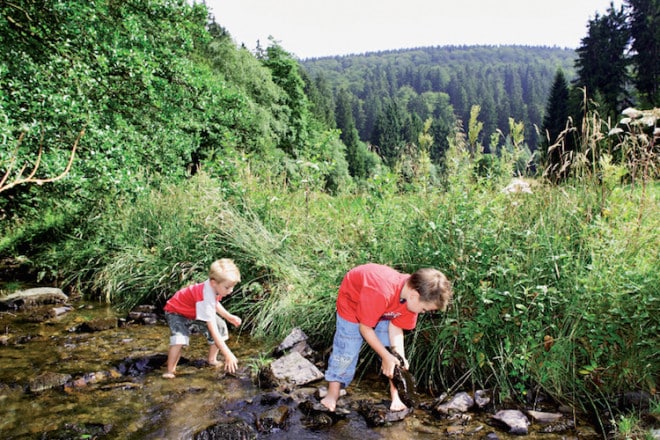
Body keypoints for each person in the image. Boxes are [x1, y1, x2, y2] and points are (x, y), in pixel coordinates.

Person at [320, 263, 453, 412]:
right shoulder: (381, 291)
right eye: (424, 309)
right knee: (347, 349)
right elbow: (365, 328)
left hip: (386, 307)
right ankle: (333, 393)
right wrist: (385, 356)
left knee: (393, 355)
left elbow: (396, 329)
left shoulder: (411, 300)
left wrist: (399, 358)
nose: (423, 312)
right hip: (352, 303)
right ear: (414, 295)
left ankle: (396, 396)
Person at [162, 258, 242, 378]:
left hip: (195, 310)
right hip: (176, 312)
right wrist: (228, 354)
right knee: (179, 338)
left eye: (232, 287)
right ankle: (170, 371)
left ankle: (212, 360)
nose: (230, 291)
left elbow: (213, 303)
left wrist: (228, 316)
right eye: (227, 287)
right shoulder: (206, 294)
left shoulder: (214, 287)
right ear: (214, 283)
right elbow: (212, 328)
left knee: (221, 326)